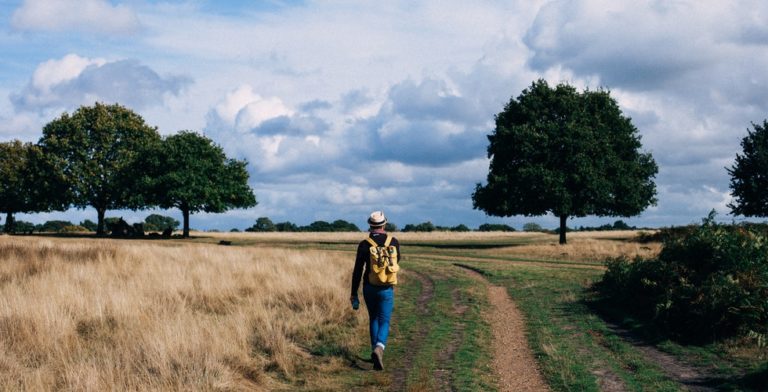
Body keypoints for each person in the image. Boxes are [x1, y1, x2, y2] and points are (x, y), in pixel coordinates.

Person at [350, 211, 401, 371]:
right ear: (384, 224)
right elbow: (396, 261)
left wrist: (353, 292)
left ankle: (375, 350)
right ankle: (380, 347)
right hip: (386, 287)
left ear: (370, 225)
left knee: (373, 319)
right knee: (384, 320)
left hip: (369, 287)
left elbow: (357, 270)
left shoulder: (364, 244)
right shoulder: (393, 241)